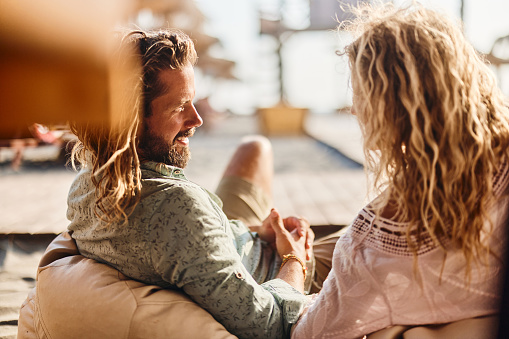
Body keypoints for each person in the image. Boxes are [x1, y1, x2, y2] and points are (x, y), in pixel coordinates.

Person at [64, 29, 337, 339]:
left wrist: (249, 232)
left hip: (226, 236)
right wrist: (294, 258)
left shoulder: (85, 185)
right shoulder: (179, 207)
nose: (197, 119)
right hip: (270, 271)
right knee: (386, 238)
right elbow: (271, 325)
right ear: (131, 120)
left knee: (255, 148)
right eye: (181, 107)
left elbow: (185, 239)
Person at [292, 3, 509, 338]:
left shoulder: (374, 242)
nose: (352, 108)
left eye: (359, 92)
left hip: (344, 270)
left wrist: (290, 273)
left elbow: (312, 334)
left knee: (305, 248)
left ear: (386, 105)